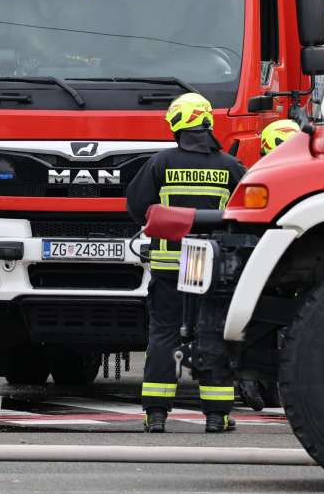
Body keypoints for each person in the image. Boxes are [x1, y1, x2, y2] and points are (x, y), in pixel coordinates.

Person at [126, 92, 247, 433]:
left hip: (169, 266)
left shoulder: (160, 163)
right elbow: (250, 212)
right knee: (211, 335)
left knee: (164, 334)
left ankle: (157, 415)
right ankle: (216, 416)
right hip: (212, 269)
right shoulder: (230, 166)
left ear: (179, 123)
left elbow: (136, 206)